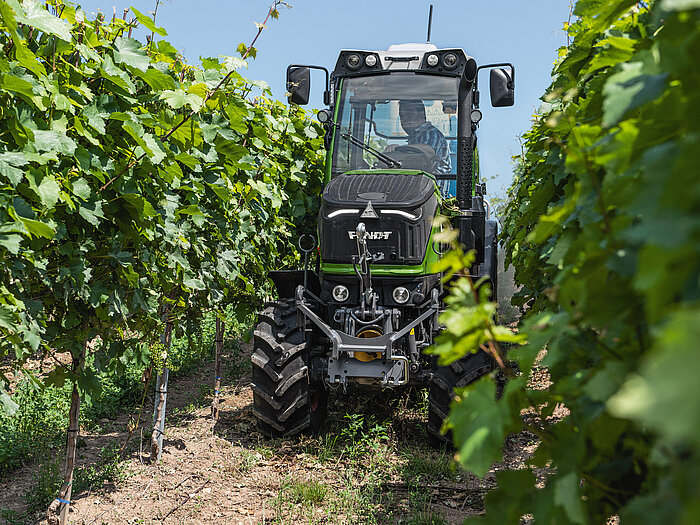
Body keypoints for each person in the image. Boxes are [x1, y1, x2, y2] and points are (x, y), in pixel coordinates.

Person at [391, 99, 451, 175]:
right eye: (402, 116)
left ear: (421, 114)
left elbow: (428, 151)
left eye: (409, 114)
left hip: (432, 185)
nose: (404, 119)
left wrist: (398, 148)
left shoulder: (430, 132)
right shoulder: (415, 137)